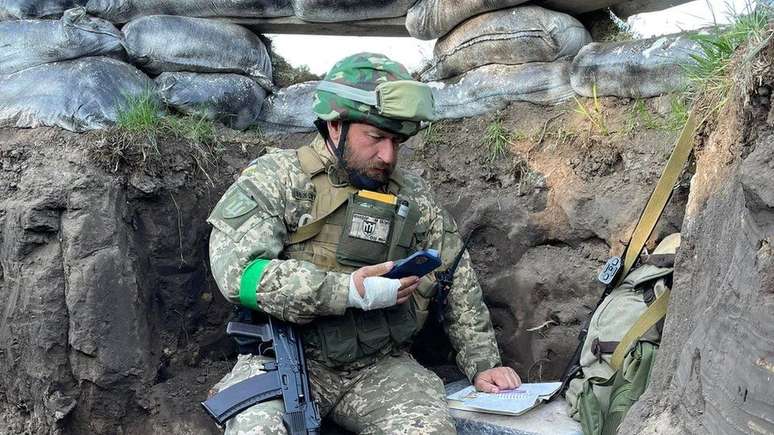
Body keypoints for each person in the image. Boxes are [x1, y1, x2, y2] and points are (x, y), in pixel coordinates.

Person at [207, 52, 521, 435]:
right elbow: (240, 275)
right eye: (376, 138)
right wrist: (350, 291)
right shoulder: (278, 179)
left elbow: (454, 274)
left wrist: (483, 363)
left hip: (379, 366)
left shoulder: (411, 196)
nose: (388, 155)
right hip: (286, 358)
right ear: (336, 126)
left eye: (396, 141)